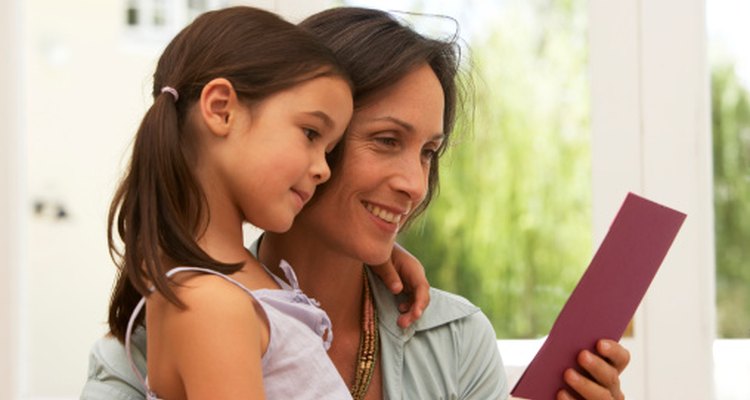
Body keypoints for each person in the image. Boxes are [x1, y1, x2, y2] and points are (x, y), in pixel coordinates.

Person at [82, 6, 630, 400]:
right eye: (387, 141)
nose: (415, 184)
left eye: (428, 153)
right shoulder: (143, 352)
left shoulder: (455, 337)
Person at [103, 6, 363, 399]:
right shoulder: (210, 305)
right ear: (221, 109)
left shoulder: (231, 287)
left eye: (329, 150)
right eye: (311, 133)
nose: (323, 169)